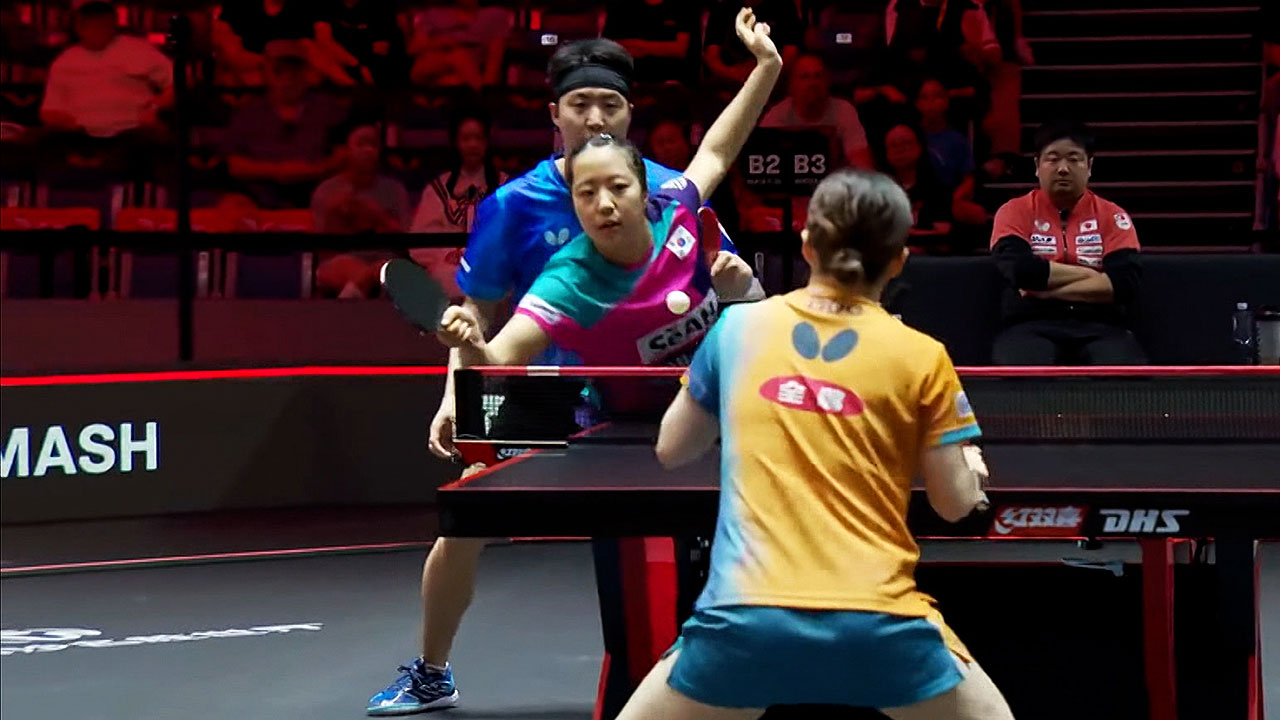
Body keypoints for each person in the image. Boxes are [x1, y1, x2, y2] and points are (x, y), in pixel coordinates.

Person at [366, 33, 759, 716]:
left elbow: (719, 281)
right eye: (581, 105)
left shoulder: (664, 190)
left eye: (610, 104)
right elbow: (477, 311)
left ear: (630, 113)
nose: (595, 117)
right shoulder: (514, 203)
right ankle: (431, 670)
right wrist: (455, 392)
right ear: (555, 114)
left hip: (658, 388)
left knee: (705, 519)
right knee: (466, 516)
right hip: (549, 389)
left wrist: (733, 290)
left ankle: (716, 661)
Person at [615, 169, 1015, 720]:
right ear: (899, 261)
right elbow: (953, 504)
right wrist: (970, 467)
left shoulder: (737, 330)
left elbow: (673, 448)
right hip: (880, 627)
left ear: (807, 245)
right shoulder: (923, 355)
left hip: (743, 623)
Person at [989, 120, 1146, 365]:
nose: (1063, 168)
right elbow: (1022, 272)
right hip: (1030, 324)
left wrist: (1042, 291)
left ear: (1089, 166)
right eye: (1053, 159)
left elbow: (1124, 283)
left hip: (1101, 324)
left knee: (1124, 369)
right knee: (1021, 369)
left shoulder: (1112, 215)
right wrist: (1094, 276)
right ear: (1037, 166)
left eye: (1074, 159)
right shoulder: (1014, 211)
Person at [223, 40, 348, 208]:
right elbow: (234, 165)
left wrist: (315, 170)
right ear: (265, 73)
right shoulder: (247, 113)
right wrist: (277, 171)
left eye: (294, 72)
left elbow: (344, 156)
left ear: (306, 73)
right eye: (279, 71)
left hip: (318, 198)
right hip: (259, 200)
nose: (287, 79)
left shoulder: (328, 109)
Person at [409, 110, 509, 299]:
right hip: (448, 267)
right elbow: (420, 243)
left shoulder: (506, 187)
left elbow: (513, 234)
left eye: (478, 138)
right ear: (456, 143)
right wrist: (448, 254)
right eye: (466, 139)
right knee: (444, 276)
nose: (473, 145)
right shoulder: (438, 189)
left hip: (492, 264)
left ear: (487, 142)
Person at [311, 119, 411, 298]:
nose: (368, 150)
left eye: (373, 145)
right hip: (339, 260)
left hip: (385, 258)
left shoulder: (396, 190)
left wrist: (379, 217)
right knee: (355, 269)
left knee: (385, 270)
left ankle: (350, 297)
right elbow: (322, 249)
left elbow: (409, 243)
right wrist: (336, 215)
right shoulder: (326, 191)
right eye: (361, 144)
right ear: (346, 150)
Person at [759, 54, 873, 170]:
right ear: (791, 86)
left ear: (827, 82)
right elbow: (759, 158)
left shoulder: (844, 111)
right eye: (805, 77)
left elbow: (860, 159)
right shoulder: (777, 115)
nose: (812, 83)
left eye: (818, 76)